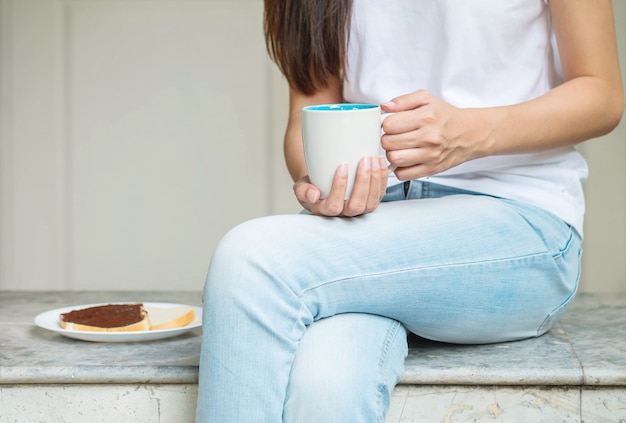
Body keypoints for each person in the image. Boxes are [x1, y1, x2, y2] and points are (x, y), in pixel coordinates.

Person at [196, 1, 623, 422]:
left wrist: (469, 134)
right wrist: (327, 182)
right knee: (324, 389)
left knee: (251, 260)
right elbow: (307, 112)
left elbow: (602, 93)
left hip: (519, 224)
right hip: (368, 231)